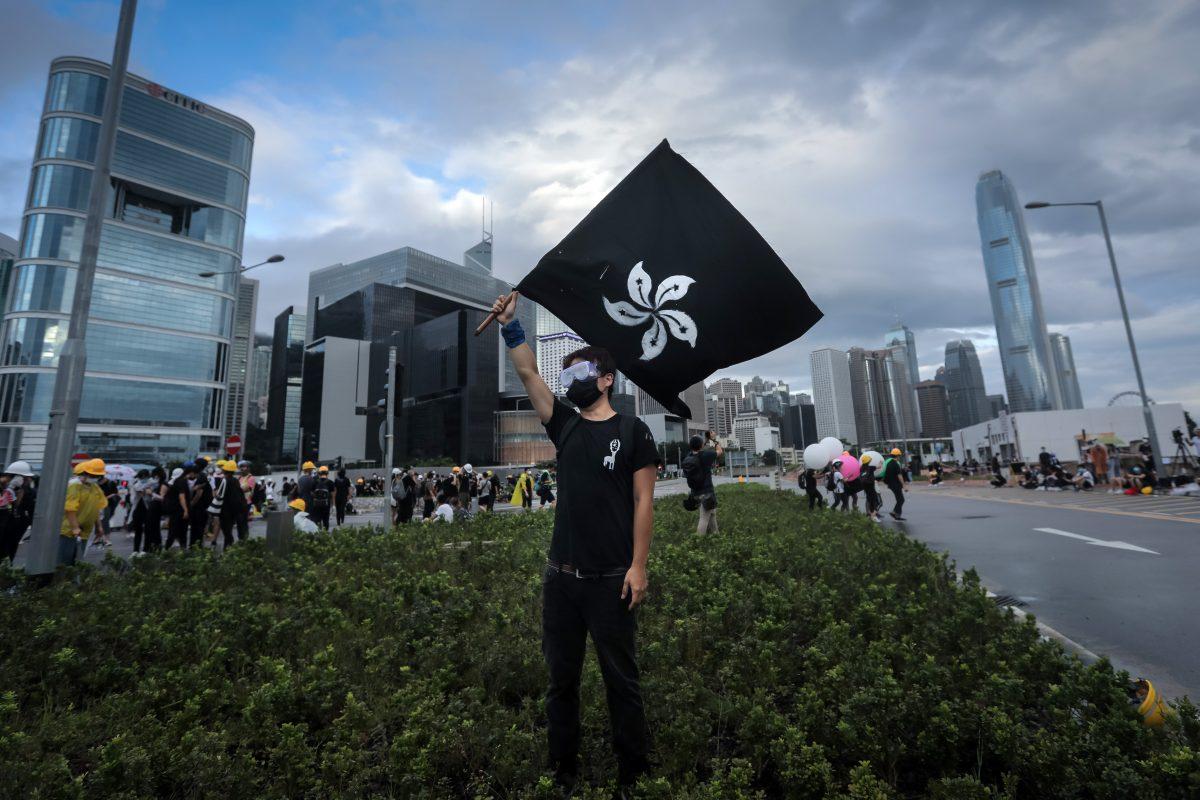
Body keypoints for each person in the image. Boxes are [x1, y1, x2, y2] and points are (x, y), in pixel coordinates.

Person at [493, 293, 655, 794]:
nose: (574, 380)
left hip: (612, 581)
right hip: (560, 580)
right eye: (570, 374)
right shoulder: (563, 426)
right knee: (560, 682)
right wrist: (511, 327)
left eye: (583, 371)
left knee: (621, 684)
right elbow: (527, 376)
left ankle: (633, 774)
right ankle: (563, 771)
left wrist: (638, 567)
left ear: (606, 379)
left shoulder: (633, 431)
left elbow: (645, 503)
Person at [59, 459, 108, 567]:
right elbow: (70, 509)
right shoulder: (74, 485)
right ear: (85, 473)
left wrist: (99, 527)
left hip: (84, 532)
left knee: (78, 561)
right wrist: (75, 528)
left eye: (97, 476)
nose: (95, 478)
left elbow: (96, 508)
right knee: (64, 562)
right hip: (69, 531)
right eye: (93, 475)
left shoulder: (94, 487)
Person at [682, 430, 723, 533]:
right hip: (707, 492)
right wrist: (714, 440)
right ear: (701, 445)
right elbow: (719, 451)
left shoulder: (688, 457)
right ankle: (698, 542)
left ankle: (716, 536)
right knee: (704, 518)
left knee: (712, 513)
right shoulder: (706, 455)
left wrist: (705, 440)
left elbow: (698, 448)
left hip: (695, 492)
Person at [2, 461, 36, 563]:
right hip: (4, 524)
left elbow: (31, 509)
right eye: (25, 478)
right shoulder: (4, 487)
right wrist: (10, 488)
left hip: (17, 526)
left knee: (10, 551)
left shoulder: (28, 492)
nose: (28, 480)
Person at [188, 458, 213, 548]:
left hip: (200, 507)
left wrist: (191, 504)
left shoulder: (201, 476)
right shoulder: (201, 475)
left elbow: (199, 494)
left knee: (198, 528)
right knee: (196, 527)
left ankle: (196, 547)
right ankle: (194, 546)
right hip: (201, 507)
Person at [141, 466, 166, 553]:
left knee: (152, 528)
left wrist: (152, 493)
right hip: (153, 507)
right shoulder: (157, 484)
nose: (153, 478)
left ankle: (152, 548)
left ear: (158, 475)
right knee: (151, 528)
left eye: (154, 475)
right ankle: (152, 548)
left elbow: (163, 498)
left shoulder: (163, 484)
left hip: (156, 508)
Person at [882, 448, 906, 520]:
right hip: (896, 484)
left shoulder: (888, 464)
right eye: (899, 456)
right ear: (897, 456)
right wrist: (904, 485)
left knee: (899, 499)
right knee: (901, 500)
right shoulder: (896, 464)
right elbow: (899, 475)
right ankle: (894, 512)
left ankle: (897, 515)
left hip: (891, 485)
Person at [309, 466, 334, 530]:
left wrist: (316, 497)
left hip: (316, 504)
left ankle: (318, 534)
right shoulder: (330, 482)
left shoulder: (314, 482)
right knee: (326, 520)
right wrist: (332, 504)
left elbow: (311, 493)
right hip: (326, 504)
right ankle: (325, 535)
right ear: (327, 473)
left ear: (319, 473)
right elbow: (332, 494)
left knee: (317, 520)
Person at [861, 455, 882, 522]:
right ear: (868, 461)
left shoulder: (861, 468)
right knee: (877, 502)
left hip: (865, 487)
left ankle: (871, 515)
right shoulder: (871, 467)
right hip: (871, 486)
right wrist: (881, 462)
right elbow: (879, 466)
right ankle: (873, 516)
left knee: (870, 500)